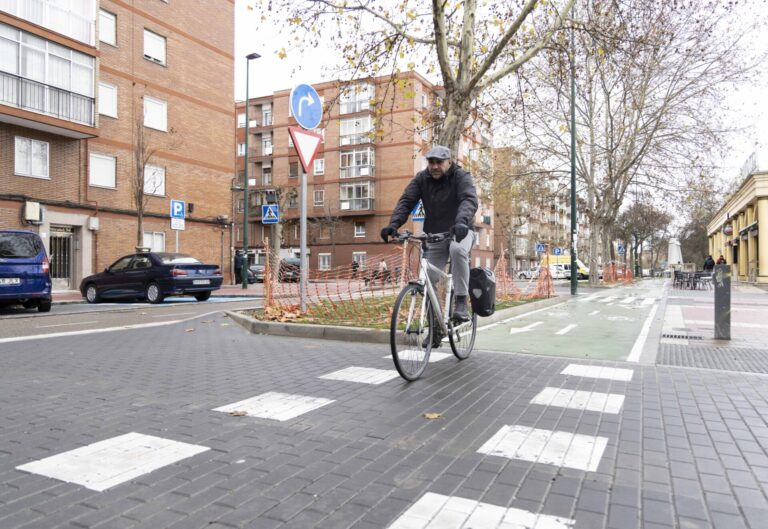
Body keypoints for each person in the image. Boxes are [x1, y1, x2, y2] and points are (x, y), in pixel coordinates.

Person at [381, 145, 478, 340]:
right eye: (431, 162)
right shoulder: (421, 179)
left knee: (458, 250)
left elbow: (469, 200)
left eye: (439, 162)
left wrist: (461, 221)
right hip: (435, 234)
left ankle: (460, 301)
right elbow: (406, 201)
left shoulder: (461, 177)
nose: (434, 166)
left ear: (449, 162)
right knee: (427, 281)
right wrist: (393, 224)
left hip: (461, 230)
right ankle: (436, 328)